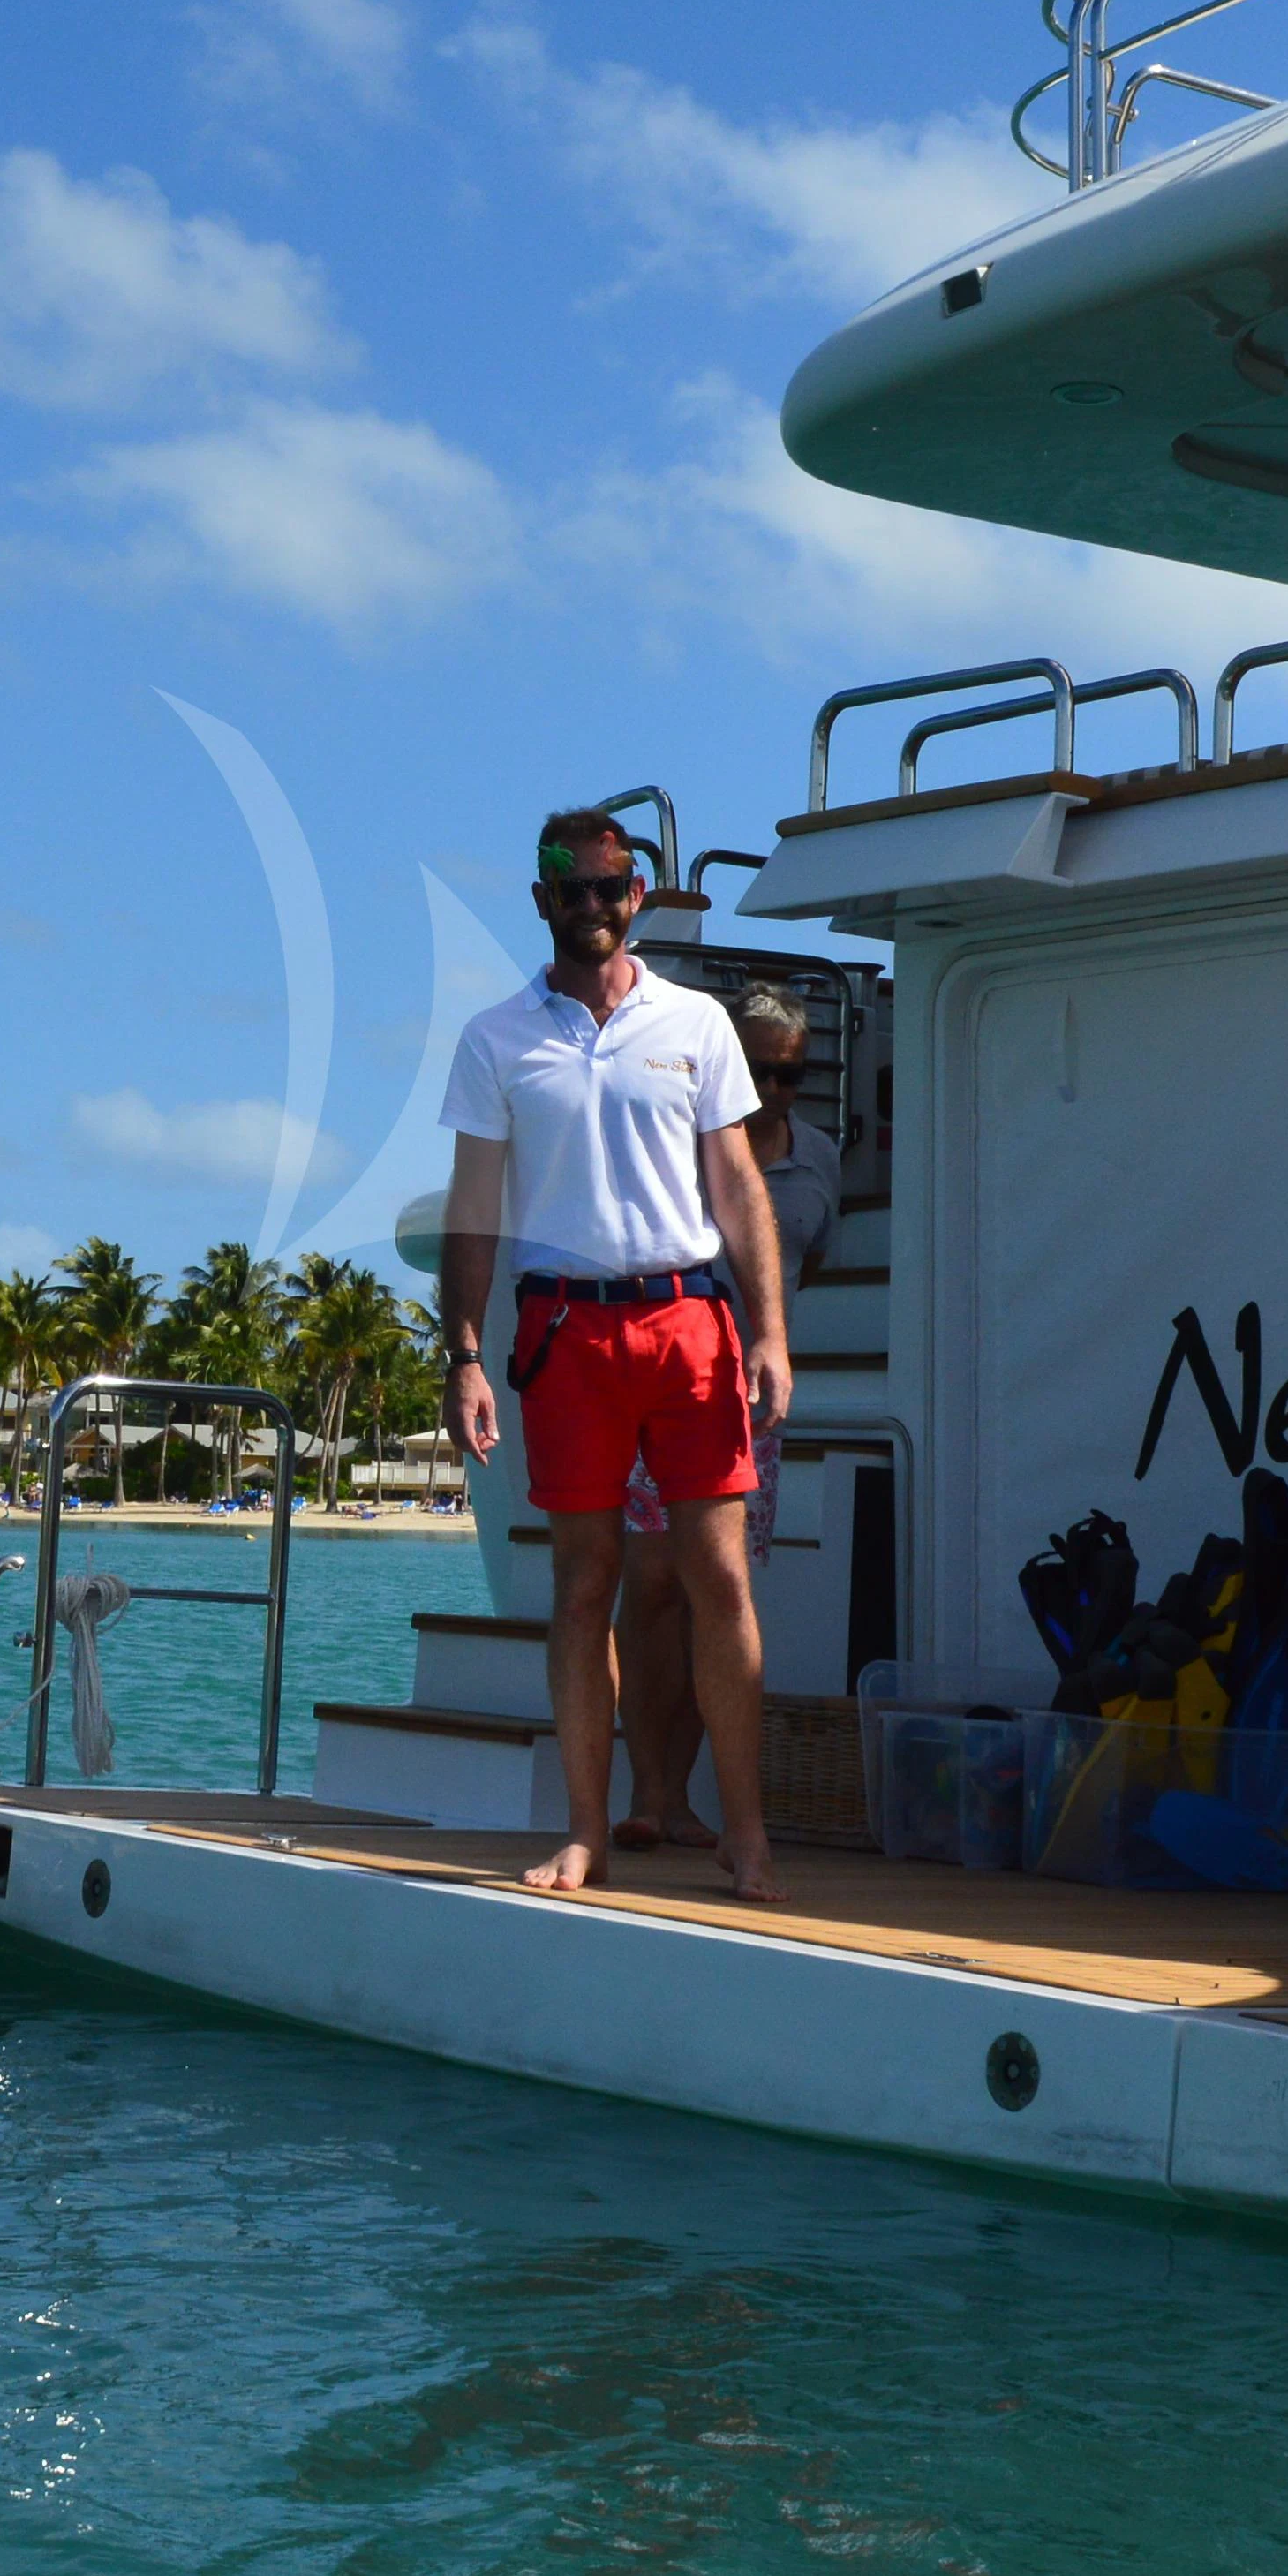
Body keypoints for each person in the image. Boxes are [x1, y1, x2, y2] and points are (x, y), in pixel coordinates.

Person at [436, 805, 795, 1900]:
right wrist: (461, 1353)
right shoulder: (496, 1038)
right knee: (583, 1581)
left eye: (609, 885)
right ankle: (586, 1830)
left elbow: (736, 1184)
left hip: (690, 1321)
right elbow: (474, 1209)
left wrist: (771, 1332)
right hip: (564, 1330)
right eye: (570, 887)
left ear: (635, 895)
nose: (591, 903)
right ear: (541, 899)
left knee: (720, 1576)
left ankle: (745, 1831)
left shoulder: (696, 1022)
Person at [601, 982, 841, 1851]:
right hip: (663, 1384)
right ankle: (648, 1788)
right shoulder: (677, 1144)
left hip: (748, 1406)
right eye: (762, 1071)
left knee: (716, 1593)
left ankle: (679, 1797)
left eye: (793, 1074)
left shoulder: (818, 1156)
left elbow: (808, 1254)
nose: (777, 1090)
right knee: (652, 1586)